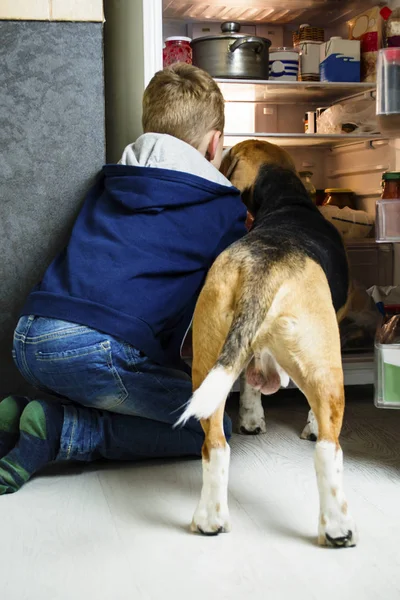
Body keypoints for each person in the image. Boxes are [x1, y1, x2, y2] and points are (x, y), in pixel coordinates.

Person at [0, 63, 247, 494]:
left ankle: (19, 414)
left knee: (106, 381)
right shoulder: (223, 208)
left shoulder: (112, 180)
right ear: (215, 143)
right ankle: (63, 432)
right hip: (93, 351)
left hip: (29, 338)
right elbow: (224, 301)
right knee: (210, 424)